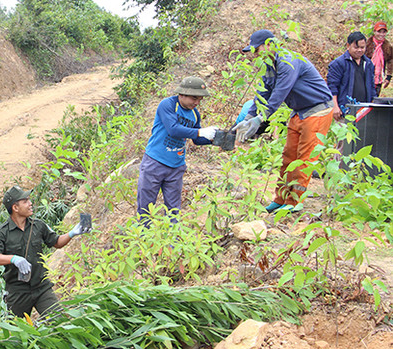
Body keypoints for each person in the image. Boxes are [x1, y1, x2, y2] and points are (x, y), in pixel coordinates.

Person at [234, 29, 334, 213]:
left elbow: (279, 93)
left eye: (257, 50)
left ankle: (295, 202)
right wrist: (249, 117)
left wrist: (260, 119)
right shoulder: (269, 65)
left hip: (317, 110)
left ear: (269, 44)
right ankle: (280, 199)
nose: (255, 55)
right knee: (288, 156)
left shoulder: (288, 61)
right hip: (299, 111)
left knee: (304, 158)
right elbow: (263, 93)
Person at [0, 186, 90, 318]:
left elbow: (56, 242)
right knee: (18, 332)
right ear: (15, 208)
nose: (30, 204)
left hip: (41, 287)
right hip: (17, 292)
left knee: (59, 321)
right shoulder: (1, 233)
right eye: (25, 201)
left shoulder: (38, 225)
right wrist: (13, 259)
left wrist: (72, 233)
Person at [136, 76, 218, 222]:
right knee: (145, 208)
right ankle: (143, 239)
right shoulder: (167, 105)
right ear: (182, 94)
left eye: (200, 99)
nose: (197, 102)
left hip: (176, 166)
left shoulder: (194, 114)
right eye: (194, 98)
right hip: (155, 162)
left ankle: (172, 242)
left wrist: (216, 139)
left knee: (173, 209)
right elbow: (173, 129)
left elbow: (197, 140)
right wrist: (200, 131)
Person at [327, 31, 377, 120]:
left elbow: (372, 87)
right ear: (348, 46)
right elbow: (332, 87)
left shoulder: (368, 64)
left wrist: (373, 103)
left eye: (362, 47)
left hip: (364, 110)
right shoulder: (338, 64)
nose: (359, 50)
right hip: (344, 110)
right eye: (356, 47)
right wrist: (335, 106)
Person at [365, 21, 393, 96]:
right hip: (365, 76)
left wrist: (388, 77)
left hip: (379, 78)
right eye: (379, 32)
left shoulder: (387, 46)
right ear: (374, 32)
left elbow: (390, 61)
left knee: (375, 97)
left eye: (383, 32)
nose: (381, 34)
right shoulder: (367, 44)